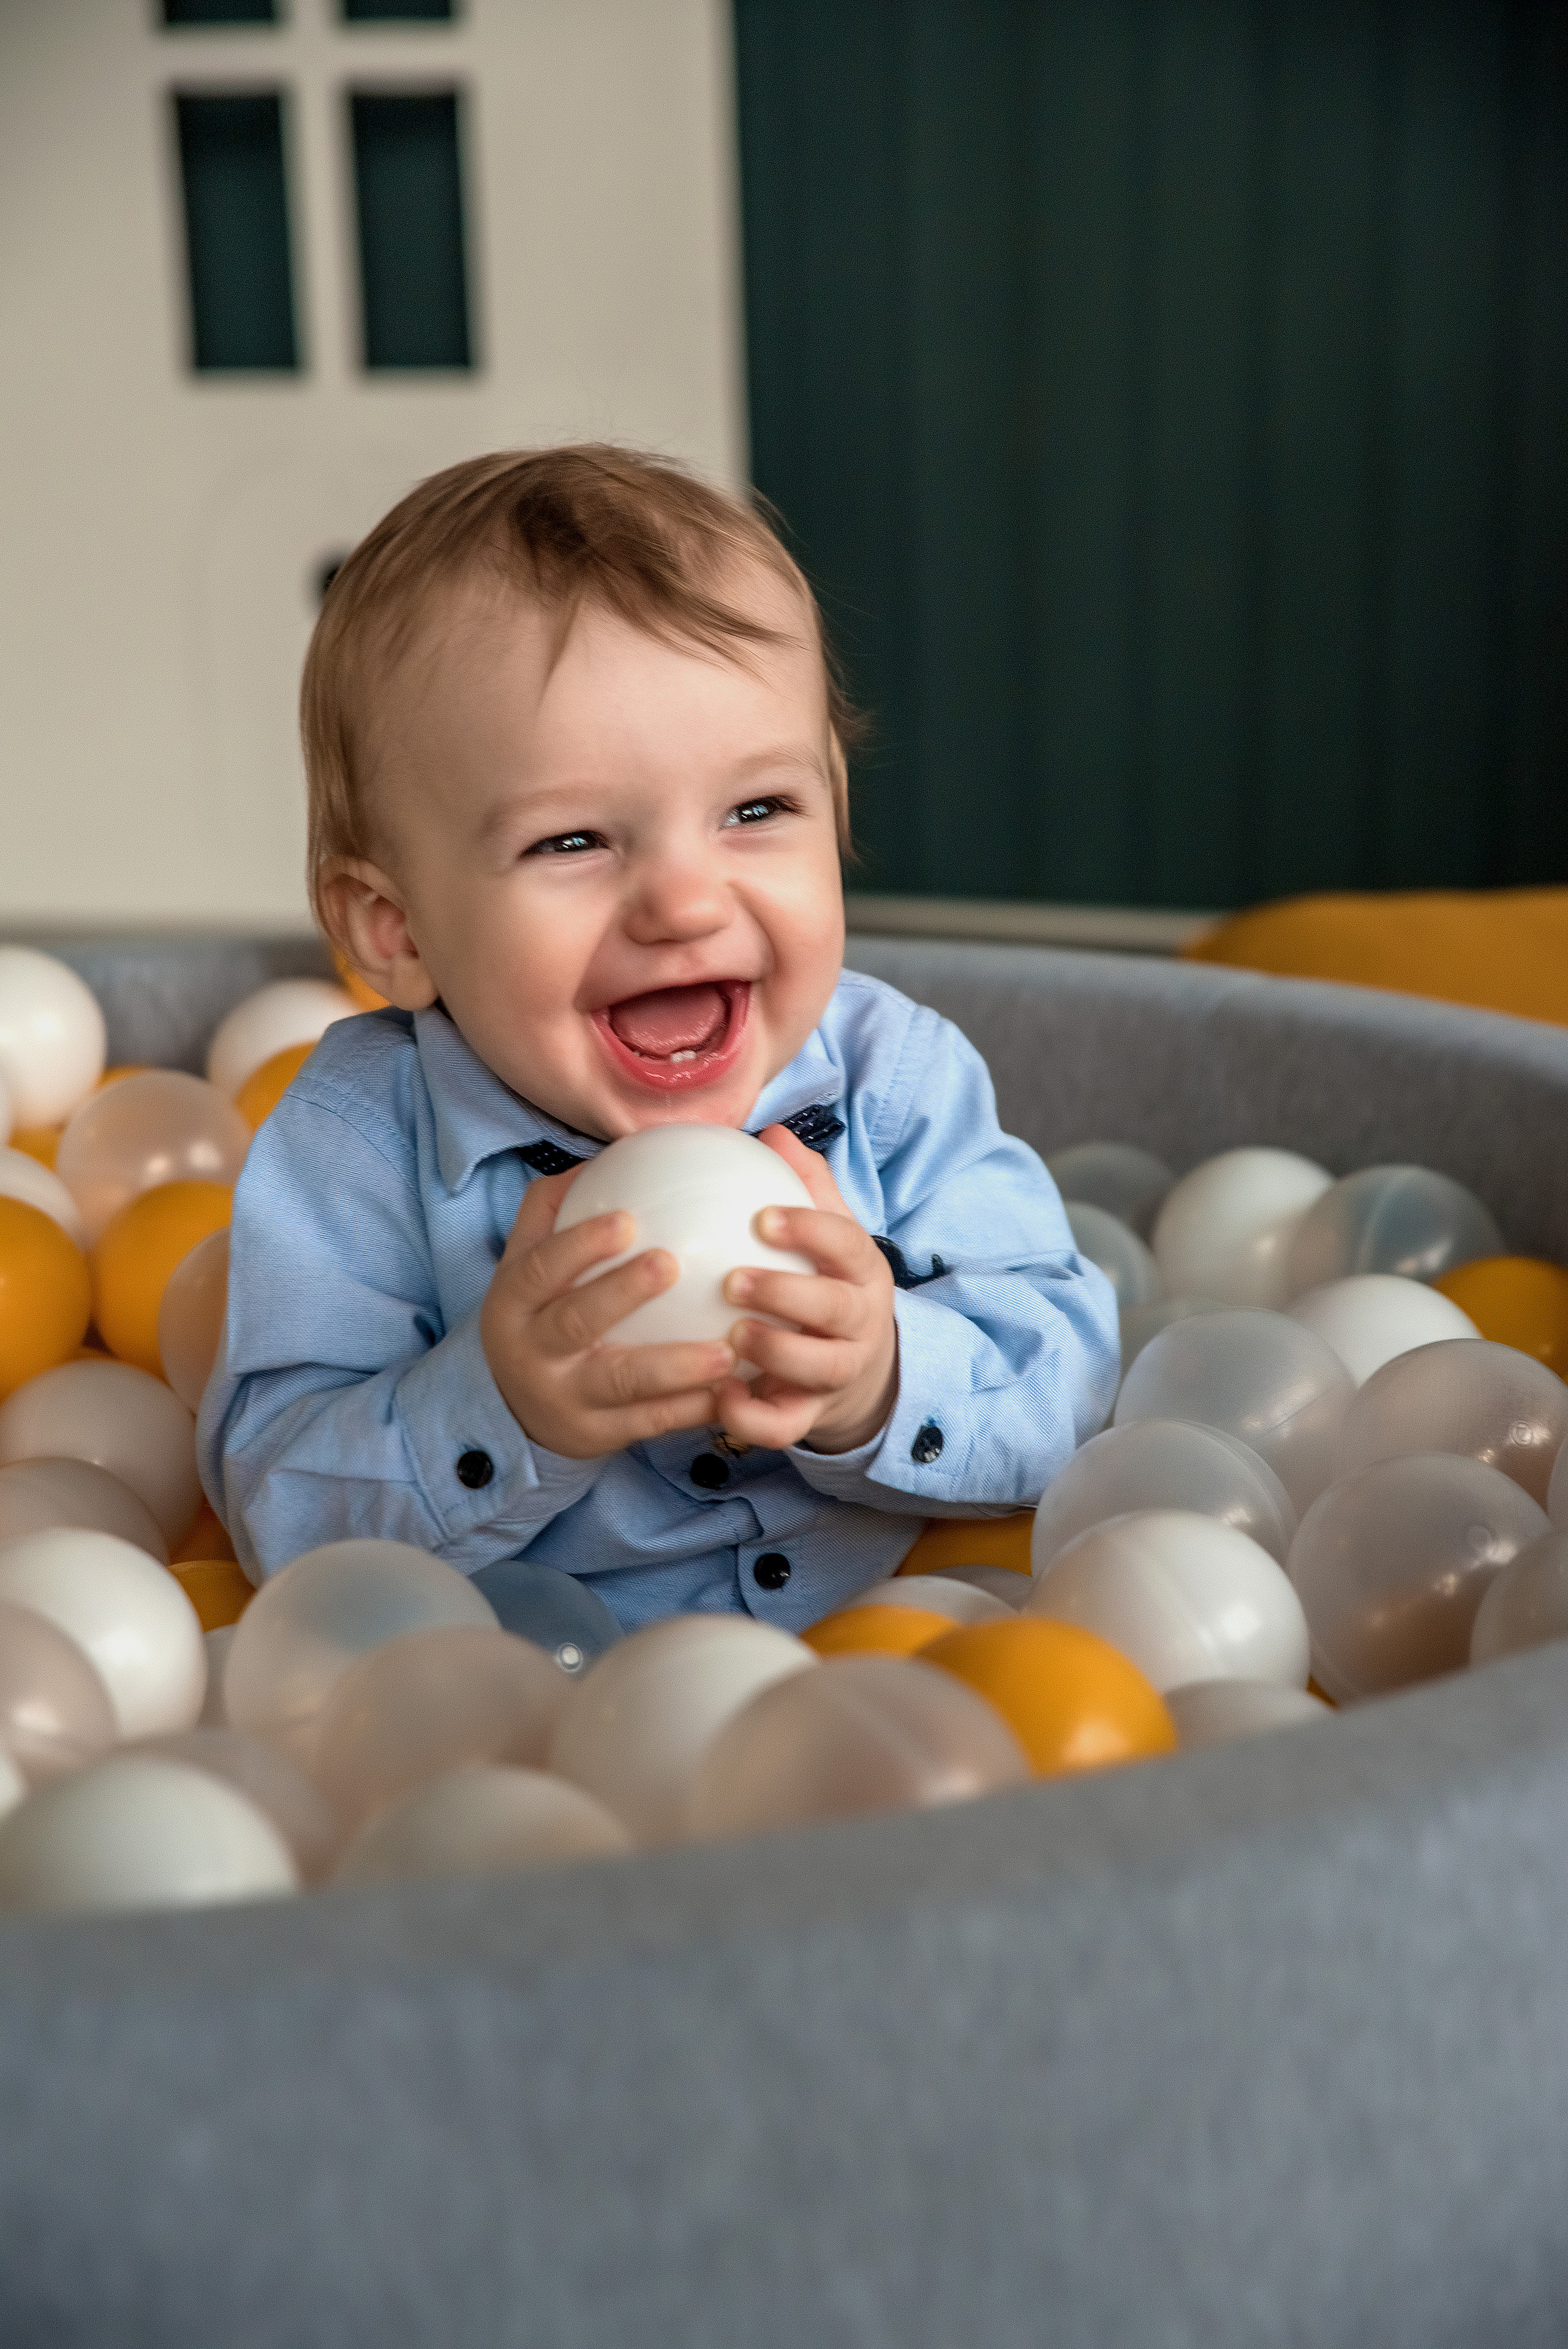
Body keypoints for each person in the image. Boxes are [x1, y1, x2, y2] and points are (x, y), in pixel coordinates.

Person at [198, 446, 1118, 1632]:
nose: (684, 903)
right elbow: (273, 1497)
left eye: (755, 811)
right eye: (574, 840)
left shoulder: (896, 1084)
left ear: (832, 808)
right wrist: (500, 1409)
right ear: (397, 929)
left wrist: (882, 1379)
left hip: (890, 1660)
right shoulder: (355, 1149)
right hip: (521, 1708)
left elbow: (1072, 1363)